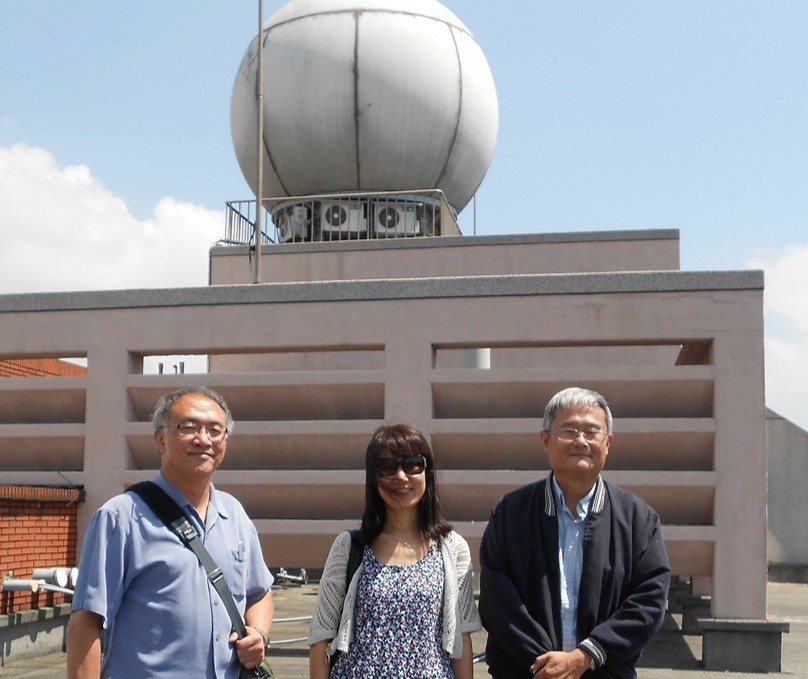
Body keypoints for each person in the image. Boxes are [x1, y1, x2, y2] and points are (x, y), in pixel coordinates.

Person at [67, 387, 274, 679]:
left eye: (215, 430)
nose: (203, 439)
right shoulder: (121, 518)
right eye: (188, 427)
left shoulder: (235, 514)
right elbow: (86, 623)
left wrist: (259, 633)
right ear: (160, 440)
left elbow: (259, 594)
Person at [479, 387, 671, 679]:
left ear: (608, 443)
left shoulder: (637, 519)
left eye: (592, 432)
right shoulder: (510, 513)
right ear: (546, 440)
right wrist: (548, 667)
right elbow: (499, 602)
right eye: (569, 430)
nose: (581, 440)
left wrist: (586, 656)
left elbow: (649, 600)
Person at [308, 422, 481, 679]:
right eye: (387, 467)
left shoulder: (452, 548)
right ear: (373, 477)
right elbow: (321, 638)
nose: (400, 477)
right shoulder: (349, 547)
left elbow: (462, 640)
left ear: (427, 472)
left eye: (412, 464)